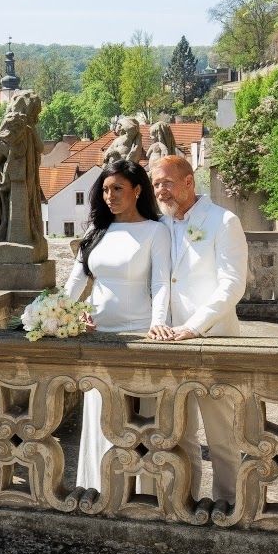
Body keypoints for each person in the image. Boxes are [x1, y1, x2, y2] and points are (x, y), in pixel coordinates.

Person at [147, 153, 250, 509]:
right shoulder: (160, 225)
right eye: (155, 184)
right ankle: (186, 502)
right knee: (180, 434)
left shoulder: (223, 221)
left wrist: (194, 326)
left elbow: (232, 284)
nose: (160, 190)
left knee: (223, 436)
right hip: (169, 344)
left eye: (166, 182)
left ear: (189, 181)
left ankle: (229, 506)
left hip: (213, 339)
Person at [65, 158, 169, 497]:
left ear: (137, 191)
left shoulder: (156, 231)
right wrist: (64, 316)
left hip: (139, 336)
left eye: (118, 189)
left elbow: (161, 283)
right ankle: (98, 490)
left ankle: (143, 494)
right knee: (101, 416)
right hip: (99, 336)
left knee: (141, 421)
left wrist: (158, 324)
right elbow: (75, 283)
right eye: (106, 190)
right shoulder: (96, 232)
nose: (110, 196)